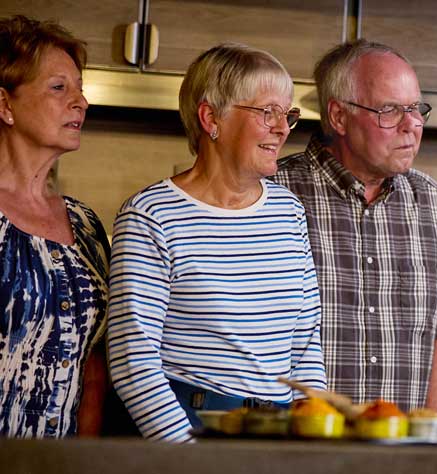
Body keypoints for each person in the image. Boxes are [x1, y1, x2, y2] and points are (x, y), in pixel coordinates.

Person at [106, 43, 325, 442]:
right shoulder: (152, 215)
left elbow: (306, 341)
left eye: (287, 114)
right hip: (191, 429)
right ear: (211, 118)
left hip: (274, 434)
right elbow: (132, 360)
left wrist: (311, 437)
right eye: (267, 112)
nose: (282, 128)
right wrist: (188, 456)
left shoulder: (288, 210)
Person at [272, 40, 437, 413]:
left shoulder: (433, 203)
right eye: (390, 110)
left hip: (399, 454)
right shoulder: (272, 195)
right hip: (294, 453)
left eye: (416, 109)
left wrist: (428, 443)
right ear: (338, 116)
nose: (412, 125)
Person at [0, 15, 108, 438]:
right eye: (59, 87)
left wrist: (83, 458)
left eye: (80, 88)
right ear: (5, 104)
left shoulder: (85, 224)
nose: (80, 101)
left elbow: (93, 363)